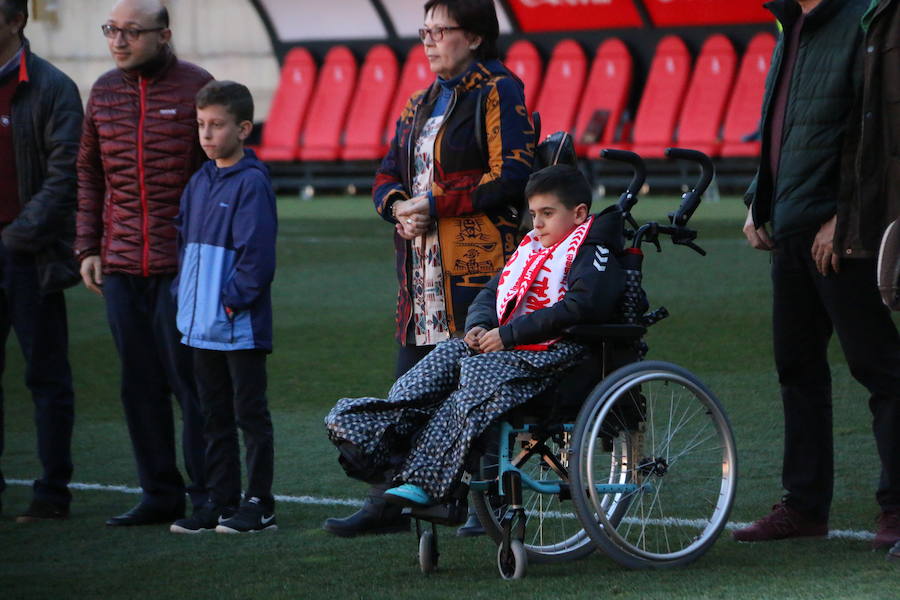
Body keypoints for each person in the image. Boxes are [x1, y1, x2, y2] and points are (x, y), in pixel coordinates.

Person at [323, 0, 534, 538]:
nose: (429, 39)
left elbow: (513, 175)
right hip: (420, 274)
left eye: (442, 29)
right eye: (425, 30)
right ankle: (386, 502)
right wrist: (397, 205)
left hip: (479, 267)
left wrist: (434, 203)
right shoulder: (418, 101)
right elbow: (386, 172)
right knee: (407, 387)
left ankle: (486, 502)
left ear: (477, 35)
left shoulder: (499, 89)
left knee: (479, 386)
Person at [326, 165, 625, 511]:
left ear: (579, 214)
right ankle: (375, 439)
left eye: (547, 214)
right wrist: (480, 326)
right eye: (533, 214)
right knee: (440, 360)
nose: (538, 224)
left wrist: (509, 335)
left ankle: (424, 481)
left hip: (558, 355)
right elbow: (491, 292)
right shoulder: (532, 247)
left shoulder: (593, 250)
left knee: (475, 377)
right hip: (513, 347)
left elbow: (583, 306)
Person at [736, 0, 900, 549]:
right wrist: (760, 201)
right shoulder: (791, 21)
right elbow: (782, 125)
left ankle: (897, 508)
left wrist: (843, 217)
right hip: (791, 230)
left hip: (840, 236)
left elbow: (871, 128)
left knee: (881, 370)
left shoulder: (861, 18)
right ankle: (805, 507)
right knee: (797, 369)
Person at [75, 0, 213, 526]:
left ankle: (207, 494)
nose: (118, 40)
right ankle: (158, 494)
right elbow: (88, 173)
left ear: (164, 34)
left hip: (182, 268)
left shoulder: (197, 85)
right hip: (120, 264)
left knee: (191, 384)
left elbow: (217, 173)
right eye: (112, 30)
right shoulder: (104, 92)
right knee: (138, 385)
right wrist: (87, 246)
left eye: (132, 31)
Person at [168, 81, 277, 535]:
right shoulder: (199, 181)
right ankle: (221, 499)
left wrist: (232, 303)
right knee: (212, 414)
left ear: (244, 128)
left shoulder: (252, 183)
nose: (206, 134)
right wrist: (181, 294)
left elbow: (257, 256)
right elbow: (182, 244)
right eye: (201, 125)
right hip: (198, 327)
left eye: (216, 125)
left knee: (248, 414)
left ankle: (260, 503)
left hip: (237, 326)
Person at [0, 0, 82, 522]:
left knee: (46, 378)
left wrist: (16, 237)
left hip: (30, 257)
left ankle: (52, 493)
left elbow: (64, 175)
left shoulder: (52, 86)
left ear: (15, 21)